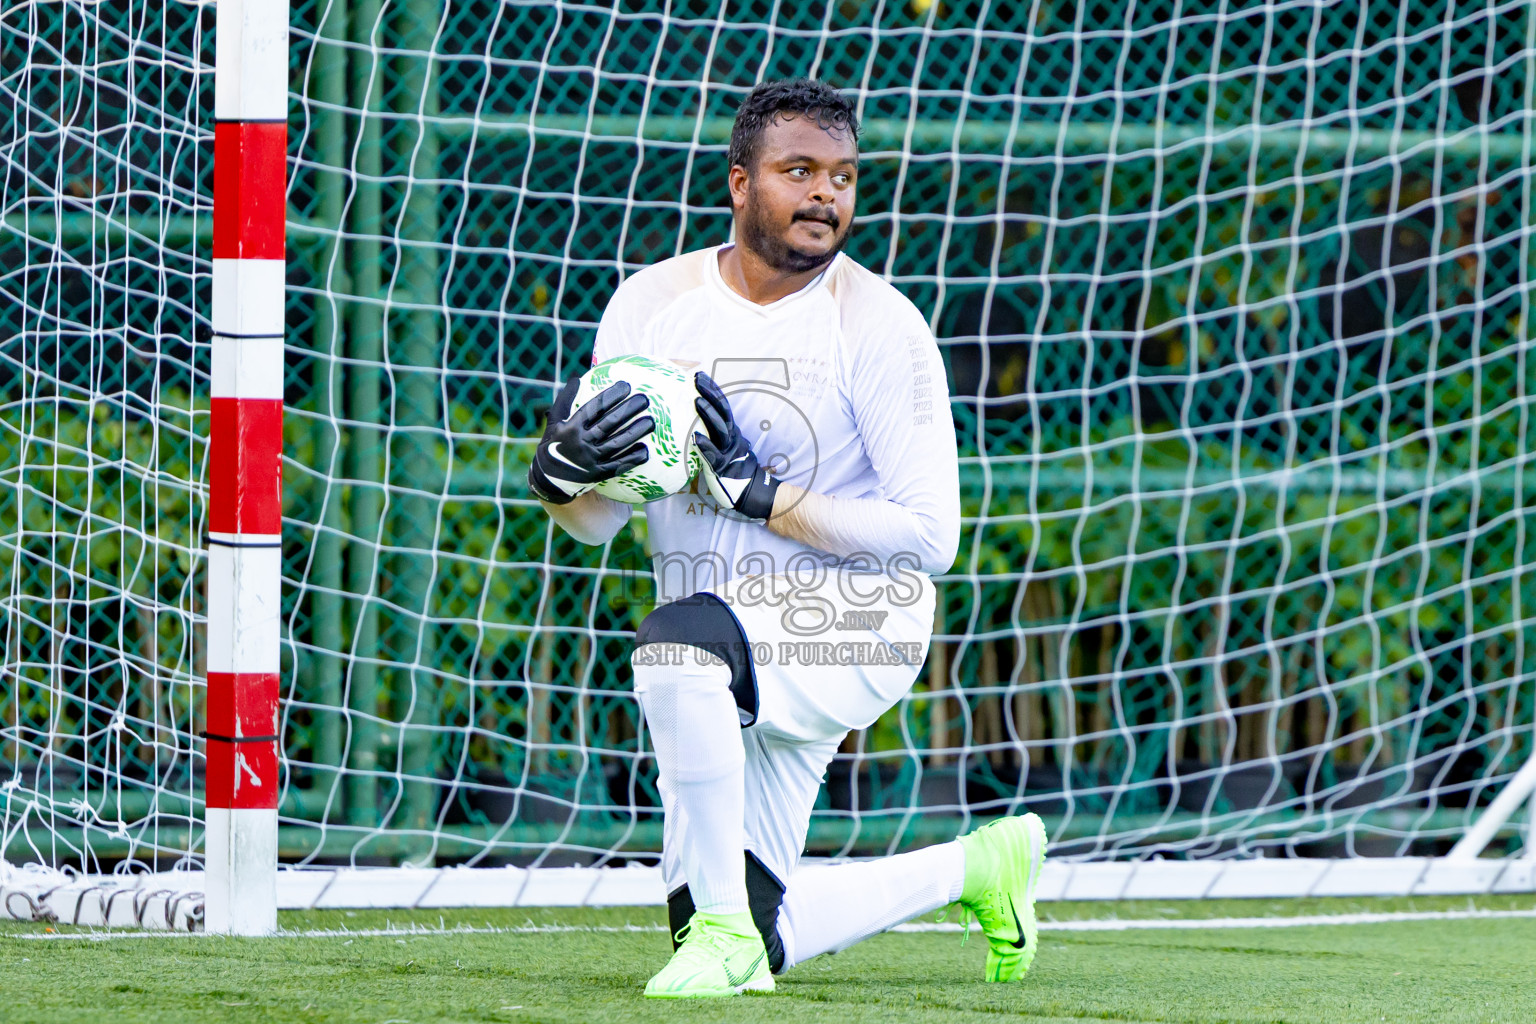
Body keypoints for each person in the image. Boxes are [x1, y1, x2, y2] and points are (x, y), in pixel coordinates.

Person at [528, 77, 1046, 999]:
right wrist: (560, 477)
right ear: (740, 183)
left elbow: (931, 537)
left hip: (854, 624)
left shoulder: (881, 325)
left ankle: (723, 929)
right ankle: (977, 867)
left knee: (678, 647)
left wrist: (766, 499)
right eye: (798, 171)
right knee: (743, 934)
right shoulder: (651, 304)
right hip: (720, 652)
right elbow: (597, 522)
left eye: (842, 176)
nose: (825, 195)